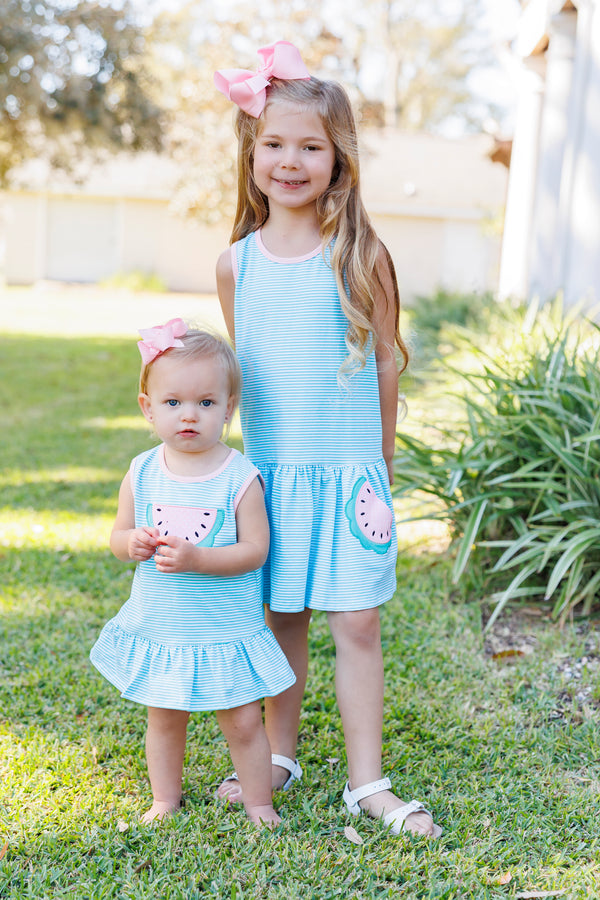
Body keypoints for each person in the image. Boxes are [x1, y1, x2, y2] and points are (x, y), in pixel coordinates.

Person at [213, 41, 442, 839]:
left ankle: (367, 782)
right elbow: (241, 380)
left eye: (310, 145)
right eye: (274, 143)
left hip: (349, 477)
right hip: (270, 478)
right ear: (252, 153)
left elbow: (384, 367)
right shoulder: (234, 265)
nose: (290, 159)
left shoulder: (360, 257)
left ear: (338, 160)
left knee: (357, 623)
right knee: (282, 620)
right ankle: (279, 757)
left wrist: (382, 466)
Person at [90, 320, 296, 827]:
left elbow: (256, 550)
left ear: (228, 409)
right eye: (174, 403)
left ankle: (258, 802)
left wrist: (200, 558)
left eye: (206, 403)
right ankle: (165, 799)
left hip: (225, 627)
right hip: (164, 625)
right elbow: (117, 538)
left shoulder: (240, 475)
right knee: (163, 718)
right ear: (148, 408)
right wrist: (131, 543)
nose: (189, 415)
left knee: (245, 722)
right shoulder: (142, 471)